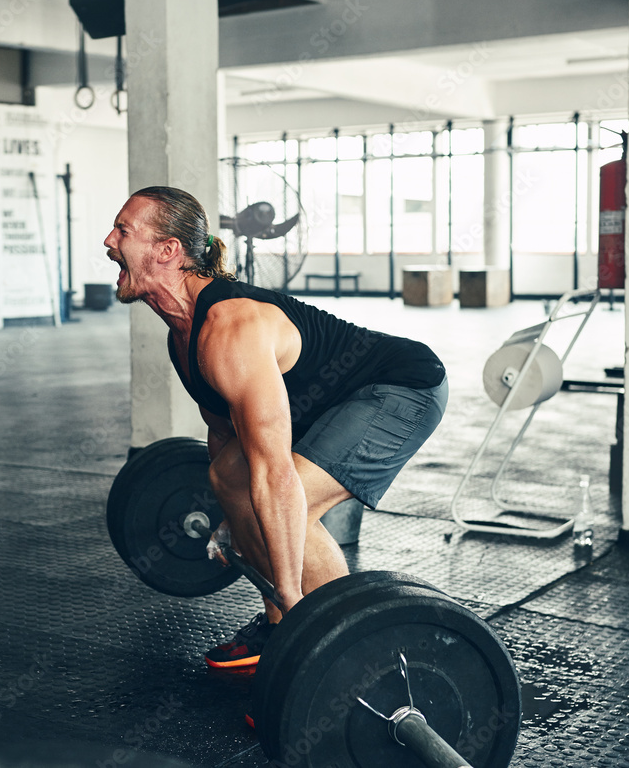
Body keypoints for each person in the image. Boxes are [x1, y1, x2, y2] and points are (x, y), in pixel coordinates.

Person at [104, 186, 448, 668]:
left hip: (400, 389)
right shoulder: (182, 335)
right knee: (227, 477)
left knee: (288, 514)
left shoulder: (230, 330)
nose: (108, 240)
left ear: (168, 251)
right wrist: (234, 518)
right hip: (334, 402)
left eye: (123, 230)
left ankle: (346, 660)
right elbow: (226, 440)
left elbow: (275, 476)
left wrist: (289, 593)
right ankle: (279, 631)